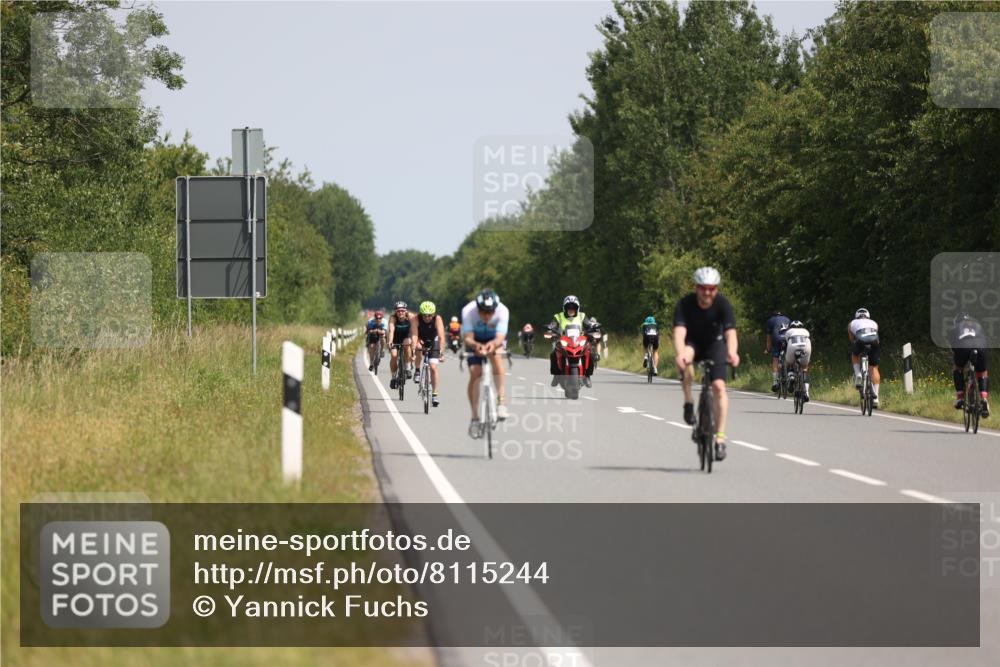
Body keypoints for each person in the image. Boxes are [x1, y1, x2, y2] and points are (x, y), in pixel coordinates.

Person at [672, 266, 740, 462]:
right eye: (703, 288)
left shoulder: (722, 304)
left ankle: (719, 439)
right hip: (692, 344)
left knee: (719, 387)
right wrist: (681, 354)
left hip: (714, 344)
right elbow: (679, 333)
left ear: (716, 288)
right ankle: (688, 403)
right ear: (697, 287)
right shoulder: (685, 304)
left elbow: (730, 334)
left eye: (711, 288)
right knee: (687, 368)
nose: (707, 292)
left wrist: (733, 353)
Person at [462, 289, 510, 437]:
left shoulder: (502, 311)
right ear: (478, 308)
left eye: (490, 312)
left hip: (494, 339)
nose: (487, 315)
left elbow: (500, 337)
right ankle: (475, 417)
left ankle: (501, 403)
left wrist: (492, 345)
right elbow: (468, 337)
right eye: (483, 312)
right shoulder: (468, 311)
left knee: (496, 359)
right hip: (474, 340)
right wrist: (477, 346)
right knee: (476, 372)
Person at [546, 295, 597, 388]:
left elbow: (588, 324)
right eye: (568, 307)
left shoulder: (582, 316)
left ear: (577, 308)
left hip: (579, 341)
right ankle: (556, 375)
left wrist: (593, 326)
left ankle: (587, 376)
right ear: (564, 308)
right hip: (563, 340)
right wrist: (550, 328)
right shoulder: (558, 316)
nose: (571, 309)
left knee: (591, 353)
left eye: (573, 307)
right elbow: (553, 325)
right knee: (554, 353)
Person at [950, 312, 990, 417]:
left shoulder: (956, 327)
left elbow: (954, 347)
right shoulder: (978, 325)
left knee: (957, 369)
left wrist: (959, 358)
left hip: (963, 346)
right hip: (981, 346)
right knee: (982, 373)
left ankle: (960, 398)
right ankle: (984, 398)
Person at [414, 301, 446, 407]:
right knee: (418, 348)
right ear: (421, 314)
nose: (427, 318)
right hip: (421, 339)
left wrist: (441, 352)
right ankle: (417, 371)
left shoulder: (437, 319)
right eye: (425, 315)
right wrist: (414, 348)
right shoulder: (416, 319)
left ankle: (434, 394)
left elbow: (441, 337)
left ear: (433, 314)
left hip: (433, 341)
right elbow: (414, 335)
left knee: (433, 367)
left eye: (430, 315)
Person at [848, 307, 881, 409]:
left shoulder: (852, 323)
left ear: (856, 316)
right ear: (868, 316)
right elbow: (876, 334)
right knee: (874, 367)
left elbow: (852, 339)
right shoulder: (874, 323)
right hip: (874, 342)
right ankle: (876, 398)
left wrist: (856, 346)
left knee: (855, 354)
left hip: (860, 341)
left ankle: (858, 374)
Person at [387, 301, 415, 390]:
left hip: (406, 337)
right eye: (398, 311)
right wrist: (390, 341)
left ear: (406, 311)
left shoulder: (410, 317)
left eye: (402, 310)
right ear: (395, 312)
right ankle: (393, 377)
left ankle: (407, 368)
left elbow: (415, 330)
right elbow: (391, 330)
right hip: (395, 339)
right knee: (394, 355)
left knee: (407, 344)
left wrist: (414, 343)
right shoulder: (393, 318)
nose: (400, 313)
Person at [784, 320, 812, 402]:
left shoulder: (788, 331)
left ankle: (791, 375)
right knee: (805, 367)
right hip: (806, 347)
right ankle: (806, 393)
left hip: (792, 346)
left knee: (789, 362)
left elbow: (786, 344)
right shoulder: (805, 331)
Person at [764, 310, 792, 392]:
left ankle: (775, 382)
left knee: (775, 359)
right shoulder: (787, 319)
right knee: (789, 357)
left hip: (777, 339)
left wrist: (768, 349)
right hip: (787, 339)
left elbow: (769, 338)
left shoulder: (770, 320)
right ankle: (790, 376)